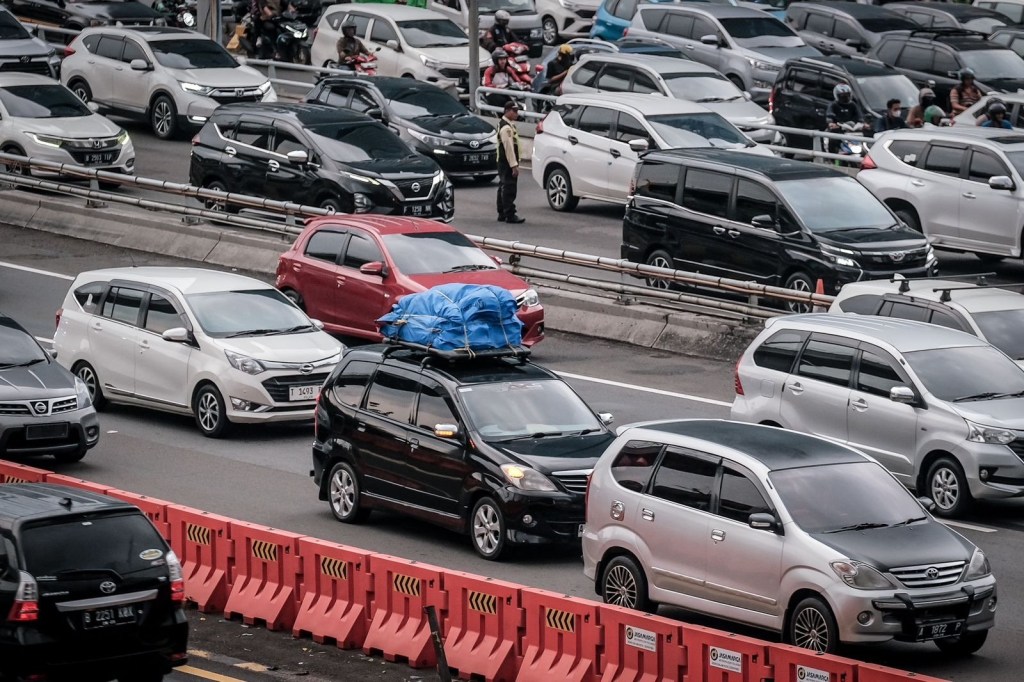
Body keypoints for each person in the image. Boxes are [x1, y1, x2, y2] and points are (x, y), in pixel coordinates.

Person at [496, 100, 524, 224]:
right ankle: (510, 214)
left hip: (503, 162)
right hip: (507, 162)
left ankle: (502, 213)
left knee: (502, 186)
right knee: (509, 188)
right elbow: (509, 148)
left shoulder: (506, 124)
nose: (516, 114)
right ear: (507, 111)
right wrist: (514, 165)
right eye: (514, 111)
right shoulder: (506, 128)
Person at [825, 83, 867, 153]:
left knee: (865, 142)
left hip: (852, 129)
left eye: (847, 95)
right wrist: (831, 123)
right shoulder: (833, 105)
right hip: (838, 129)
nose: (845, 98)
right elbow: (830, 115)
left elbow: (859, 116)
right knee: (832, 140)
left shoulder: (853, 105)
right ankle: (832, 157)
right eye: (842, 96)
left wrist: (863, 124)